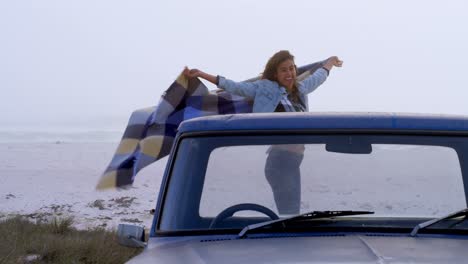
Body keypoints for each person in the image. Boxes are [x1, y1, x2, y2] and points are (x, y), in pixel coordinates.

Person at [184, 50, 342, 214]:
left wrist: (330, 62)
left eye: (291, 68)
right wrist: (202, 74)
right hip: (279, 161)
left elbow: (318, 78)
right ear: (275, 73)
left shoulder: (300, 89)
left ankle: (286, 237)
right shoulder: (263, 88)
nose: (289, 73)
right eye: (283, 69)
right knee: (289, 212)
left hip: (294, 161)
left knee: (291, 213)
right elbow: (235, 87)